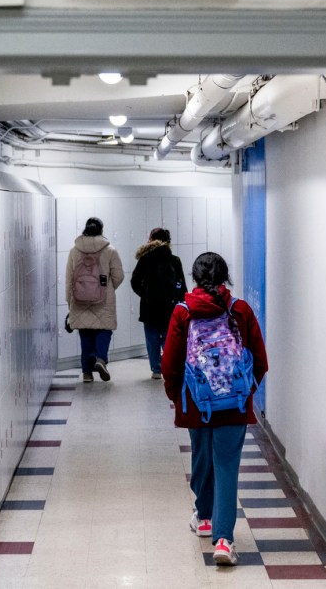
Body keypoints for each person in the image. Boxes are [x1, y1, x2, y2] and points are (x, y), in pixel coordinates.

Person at [161, 252, 268, 567]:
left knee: (202, 457)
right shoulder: (240, 310)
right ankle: (224, 541)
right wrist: (241, 392)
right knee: (226, 467)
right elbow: (260, 361)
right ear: (225, 278)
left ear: (194, 278)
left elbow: (170, 366)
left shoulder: (183, 313)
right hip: (233, 406)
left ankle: (204, 517)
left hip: (196, 403)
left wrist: (178, 398)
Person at [65, 217, 124, 383]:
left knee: (85, 334)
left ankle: (87, 373)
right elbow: (118, 276)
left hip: (79, 299)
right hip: (104, 300)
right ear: (101, 230)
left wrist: (69, 300)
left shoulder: (74, 251)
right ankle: (100, 359)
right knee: (104, 330)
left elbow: (69, 278)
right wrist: (108, 289)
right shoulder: (110, 250)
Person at [130, 227, 187, 379]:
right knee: (169, 339)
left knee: (152, 339)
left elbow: (135, 281)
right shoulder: (174, 260)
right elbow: (181, 283)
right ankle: (169, 367)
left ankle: (156, 369)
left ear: (151, 240)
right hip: (170, 306)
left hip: (149, 308)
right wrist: (183, 302)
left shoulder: (145, 259)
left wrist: (146, 294)